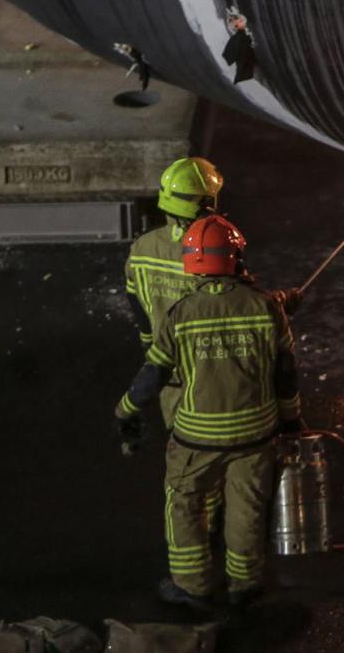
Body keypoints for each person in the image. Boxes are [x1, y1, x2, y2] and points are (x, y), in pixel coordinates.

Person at [114, 215, 301, 610]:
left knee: (185, 504)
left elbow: (154, 373)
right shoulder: (266, 307)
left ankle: (193, 585)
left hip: (196, 439)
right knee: (247, 508)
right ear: (236, 258)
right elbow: (285, 373)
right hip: (256, 434)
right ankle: (244, 584)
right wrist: (291, 418)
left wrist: (125, 409)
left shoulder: (181, 314)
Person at [125, 157, 224, 425]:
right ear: (207, 204)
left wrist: (150, 344)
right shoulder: (215, 253)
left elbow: (136, 303)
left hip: (167, 370)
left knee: (180, 439)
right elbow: (235, 304)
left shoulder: (142, 248)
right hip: (213, 367)